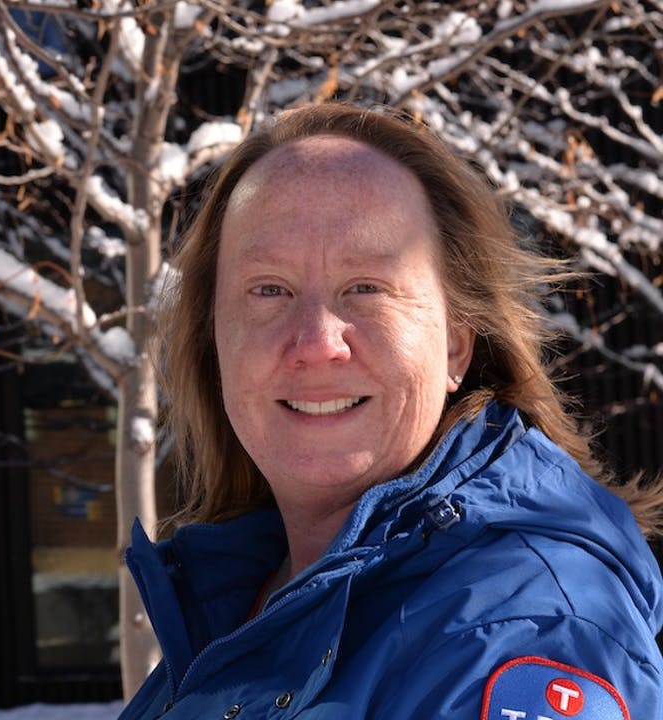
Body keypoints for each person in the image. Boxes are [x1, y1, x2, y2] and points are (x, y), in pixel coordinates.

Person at [120, 103, 663, 718]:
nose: (317, 340)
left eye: (367, 288)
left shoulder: (528, 628)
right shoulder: (236, 608)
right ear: (213, 339)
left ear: (457, 341)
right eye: (269, 288)